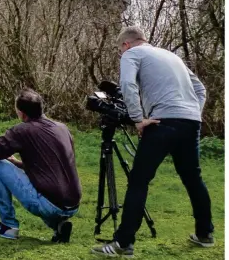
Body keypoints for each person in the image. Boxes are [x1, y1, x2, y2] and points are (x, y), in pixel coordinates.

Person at [92, 26, 214, 257]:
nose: (121, 54)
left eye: (120, 50)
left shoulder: (132, 54)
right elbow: (200, 88)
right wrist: (192, 112)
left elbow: (128, 85)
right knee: (193, 178)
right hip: (191, 123)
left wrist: (138, 119)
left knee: (139, 181)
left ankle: (123, 243)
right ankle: (205, 234)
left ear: (126, 44)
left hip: (161, 122)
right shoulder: (171, 55)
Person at [0, 88, 82, 242]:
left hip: (50, 205)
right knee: (51, 194)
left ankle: (8, 226)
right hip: (73, 204)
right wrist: (18, 163)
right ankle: (58, 226)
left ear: (21, 113)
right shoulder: (63, 128)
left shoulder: (22, 130)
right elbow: (54, 165)